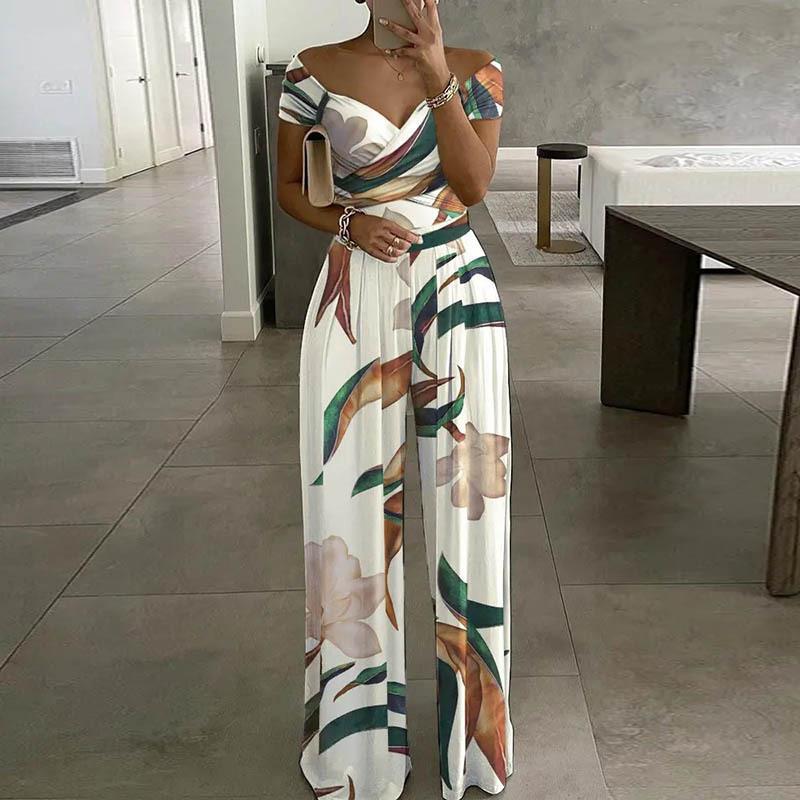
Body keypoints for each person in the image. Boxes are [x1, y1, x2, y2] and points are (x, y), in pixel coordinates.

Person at [276, 1, 512, 798]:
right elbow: (290, 186)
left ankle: (471, 742)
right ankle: (357, 747)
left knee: (472, 506)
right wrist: (348, 221)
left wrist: (440, 75)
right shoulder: (310, 71)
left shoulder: (478, 70)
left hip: (459, 291)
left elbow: (474, 186)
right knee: (348, 503)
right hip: (356, 293)